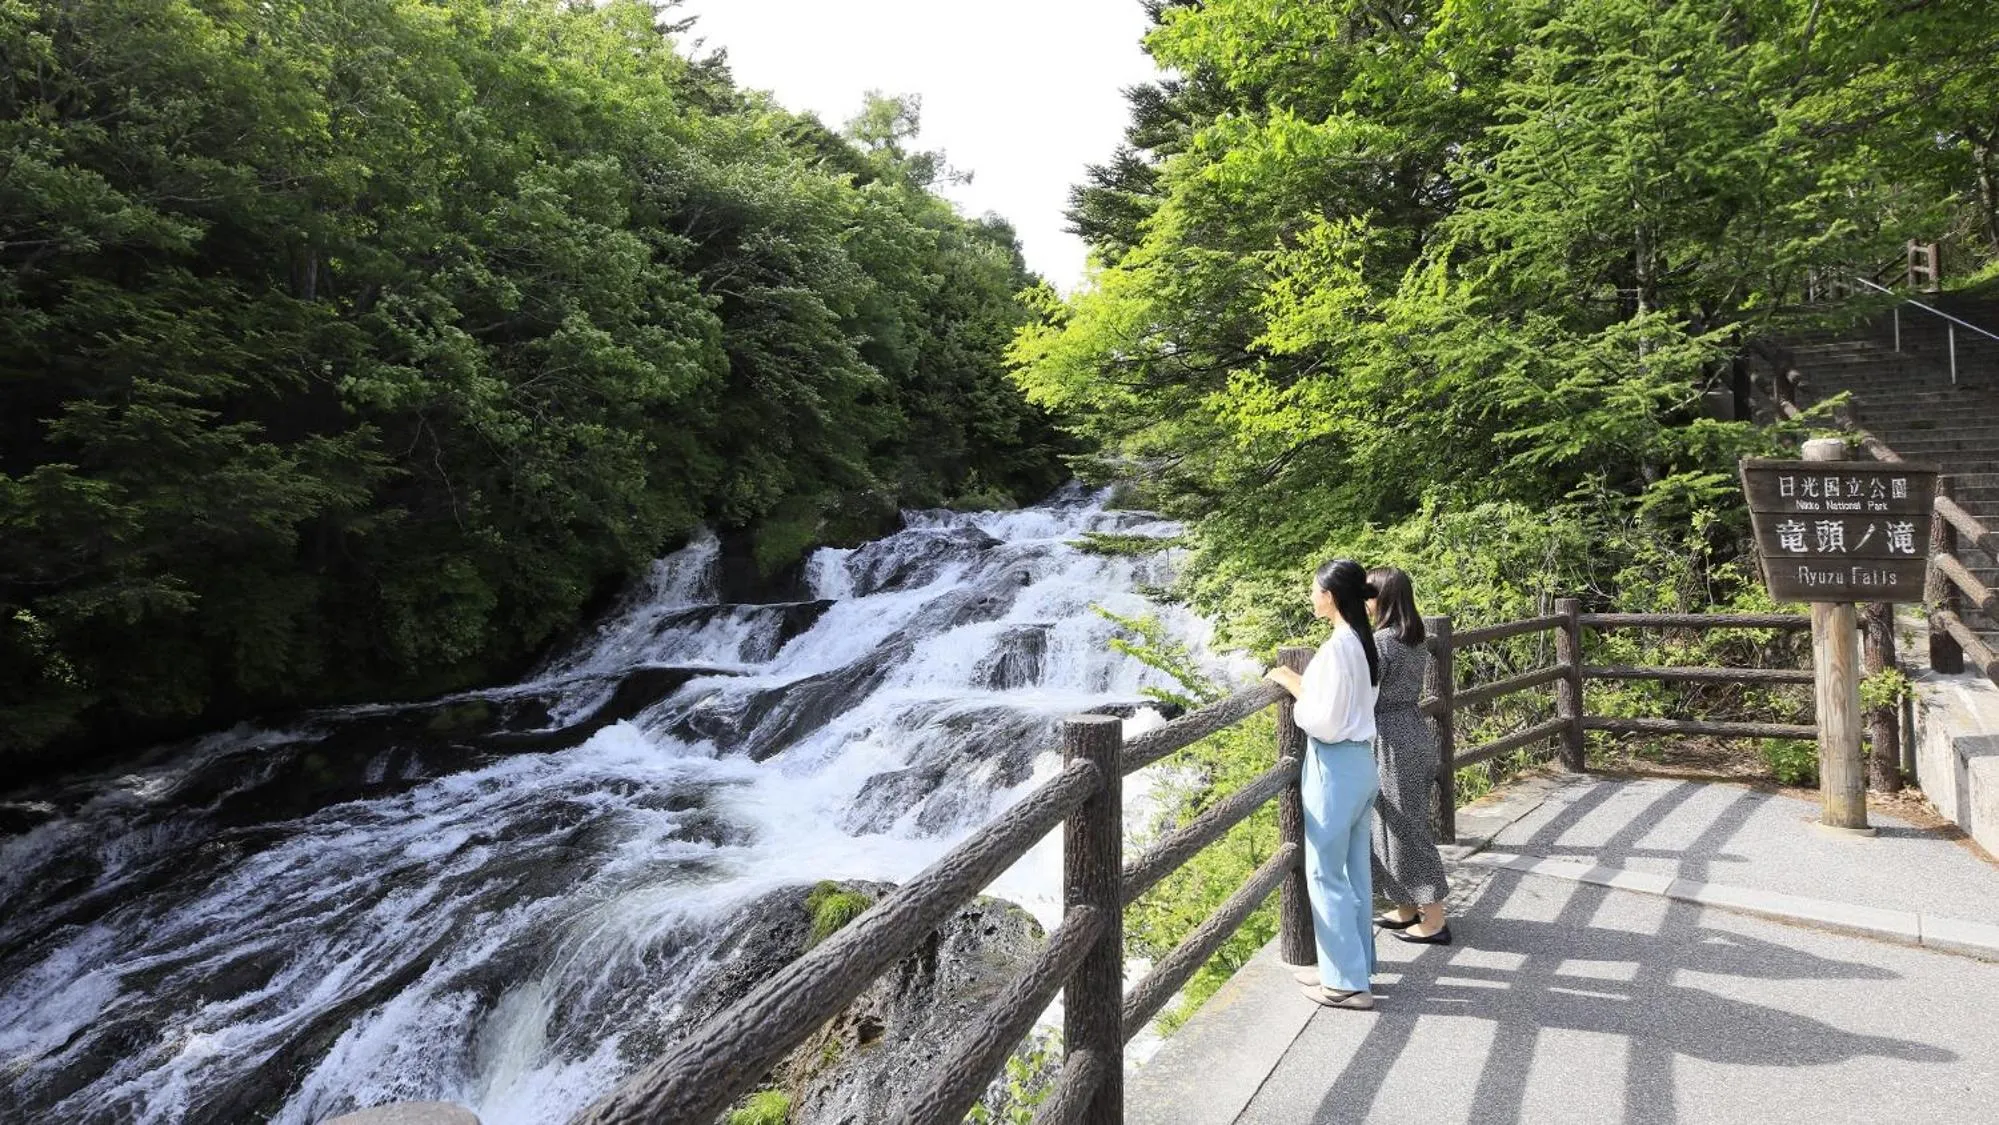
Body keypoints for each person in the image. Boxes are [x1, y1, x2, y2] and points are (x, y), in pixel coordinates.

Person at [1264, 558, 1381, 1010]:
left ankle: (1346, 983)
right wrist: (1299, 683)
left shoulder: (1336, 649)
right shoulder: (1361, 643)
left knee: (1324, 871)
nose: (1311, 596)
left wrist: (1295, 694)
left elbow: (1325, 720)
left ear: (1330, 596)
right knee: (1355, 871)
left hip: (1334, 766)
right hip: (1362, 764)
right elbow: (1348, 703)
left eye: (1314, 589)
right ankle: (1353, 969)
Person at [1367, 566, 1452, 944]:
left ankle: (1434, 920)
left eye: (1369, 594)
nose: (1364, 602)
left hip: (1391, 740)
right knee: (1393, 825)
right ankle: (1405, 907)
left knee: (1405, 828)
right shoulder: (1414, 638)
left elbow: (1363, 692)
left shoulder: (1382, 642)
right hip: (1413, 731)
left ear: (1382, 598)